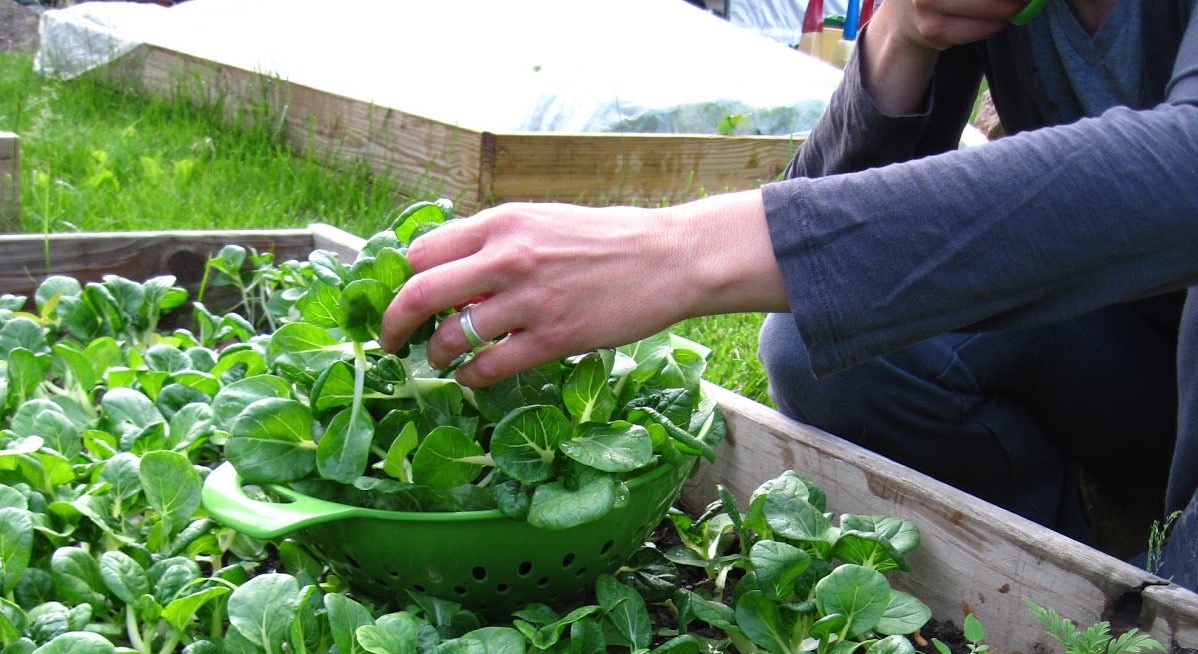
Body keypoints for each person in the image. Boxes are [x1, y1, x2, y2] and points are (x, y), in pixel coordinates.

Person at [380, 0, 1198, 584]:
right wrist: (903, 39)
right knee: (826, 342)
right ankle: (1077, 584)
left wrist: (678, 250)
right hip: (1141, 381)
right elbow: (841, 246)